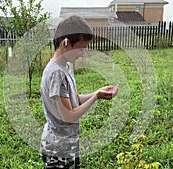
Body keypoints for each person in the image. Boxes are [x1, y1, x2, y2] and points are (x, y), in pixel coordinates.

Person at [40, 15, 119, 169]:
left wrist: (99, 92)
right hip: (58, 148)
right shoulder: (56, 73)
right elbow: (68, 117)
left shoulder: (67, 66)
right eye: (81, 48)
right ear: (66, 43)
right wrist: (95, 97)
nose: (83, 54)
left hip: (69, 142)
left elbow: (75, 99)